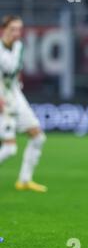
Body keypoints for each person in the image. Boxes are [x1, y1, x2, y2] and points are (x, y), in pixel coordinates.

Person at [0, 15, 47, 192]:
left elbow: (15, 72)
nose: (16, 33)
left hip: (15, 96)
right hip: (2, 100)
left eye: (19, 29)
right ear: (3, 29)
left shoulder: (19, 46)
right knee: (9, 149)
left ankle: (25, 180)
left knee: (38, 136)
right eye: (12, 29)